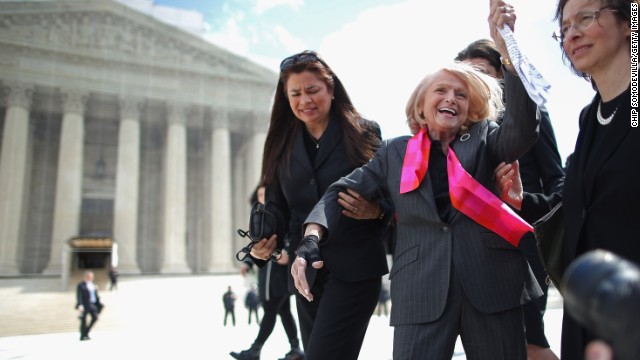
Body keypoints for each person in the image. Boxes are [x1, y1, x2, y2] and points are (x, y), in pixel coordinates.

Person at [292, 11, 544, 356]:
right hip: (420, 292)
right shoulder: (395, 152)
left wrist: (509, 56)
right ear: (421, 107)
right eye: (441, 90)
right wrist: (310, 242)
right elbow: (338, 191)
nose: (451, 98)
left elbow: (524, 130)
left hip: (492, 285)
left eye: (461, 94)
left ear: (471, 109)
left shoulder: (486, 139)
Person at [495, 0, 639, 359]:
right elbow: (580, 207)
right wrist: (521, 201)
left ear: (627, 23)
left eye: (586, 17)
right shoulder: (590, 120)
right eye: (565, 27)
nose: (572, 32)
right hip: (589, 313)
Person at [247, 50, 392, 360]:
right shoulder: (279, 144)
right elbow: (274, 209)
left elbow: (392, 194)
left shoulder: (364, 132)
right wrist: (263, 246)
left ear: (330, 88)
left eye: (312, 90)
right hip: (304, 275)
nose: (305, 100)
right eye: (295, 93)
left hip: (354, 268)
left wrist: (378, 212)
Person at [456, 38, 564, 360]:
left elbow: (557, 180)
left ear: (502, 76)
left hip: (522, 246)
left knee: (532, 344)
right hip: (475, 253)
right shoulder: (456, 131)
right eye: (464, 75)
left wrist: (529, 209)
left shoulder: (529, 116)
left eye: (481, 72)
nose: (472, 81)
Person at [231, 186, 304, 360]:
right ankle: (295, 349)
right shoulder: (258, 219)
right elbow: (255, 246)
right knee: (284, 312)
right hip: (267, 274)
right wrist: (248, 263)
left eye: (265, 194)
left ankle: (255, 350)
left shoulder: (282, 214)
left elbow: (292, 237)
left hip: (279, 276)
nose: (262, 197)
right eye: (259, 195)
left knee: (270, 311)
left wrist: (285, 253)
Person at [75, 270, 102, 341]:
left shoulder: (93, 285)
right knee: (83, 321)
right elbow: (79, 295)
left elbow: (95, 295)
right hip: (85, 304)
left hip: (93, 304)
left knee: (95, 317)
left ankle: (86, 332)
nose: (91, 277)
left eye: (92, 276)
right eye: (89, 276)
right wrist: (80, 304)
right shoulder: (81, 285)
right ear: (86, 276)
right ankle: (82, 335)